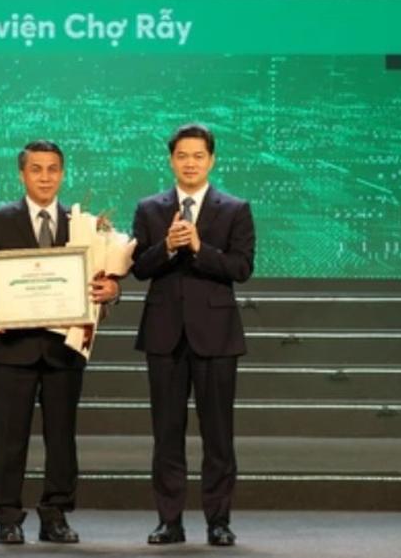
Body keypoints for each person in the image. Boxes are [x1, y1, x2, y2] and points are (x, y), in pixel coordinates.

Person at [0, 139, 120, 546]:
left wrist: (112, 291)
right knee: (9, 437)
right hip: (13, 348)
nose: (45, 177)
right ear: (22, 174)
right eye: (36, 169)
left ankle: (56, 515)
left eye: (53, 169)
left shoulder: (83, 224)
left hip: (64, 349)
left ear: (62, 174)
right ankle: (7, 518)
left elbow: (103, 280)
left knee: (62, 438)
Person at [131, 123, 255, 547]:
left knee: (218, 435)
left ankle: (219, 521)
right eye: (182, 156)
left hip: (216, 336)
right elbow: (139, 268)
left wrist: (200, 249)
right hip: (164, 335)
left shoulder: (235, 209)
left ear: (211, 160)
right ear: (171, 160)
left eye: (198, 156)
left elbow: (241, 268)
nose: (190, 163)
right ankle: (169, 521)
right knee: (166, 434)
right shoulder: (150, 209)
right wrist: (167, 246)